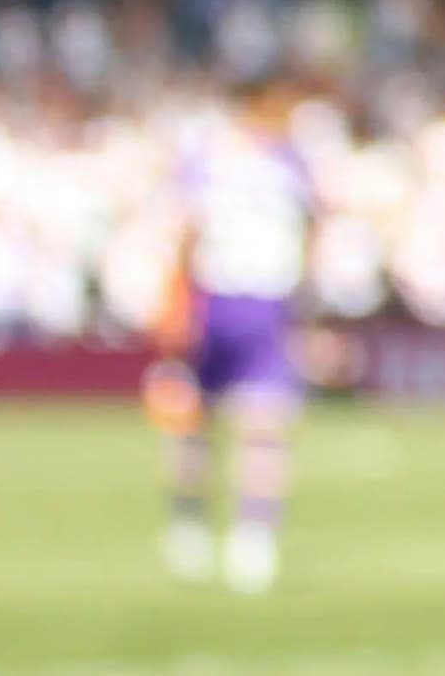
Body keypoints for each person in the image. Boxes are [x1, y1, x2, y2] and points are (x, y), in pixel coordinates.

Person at [146, 84, 314, 596]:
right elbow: (188, 234)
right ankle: (204, 524)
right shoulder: (258, 164)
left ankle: (244, 532)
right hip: (224, 300)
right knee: (206, 423)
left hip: (254, 302)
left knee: (258, 424)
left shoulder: (249, 163)